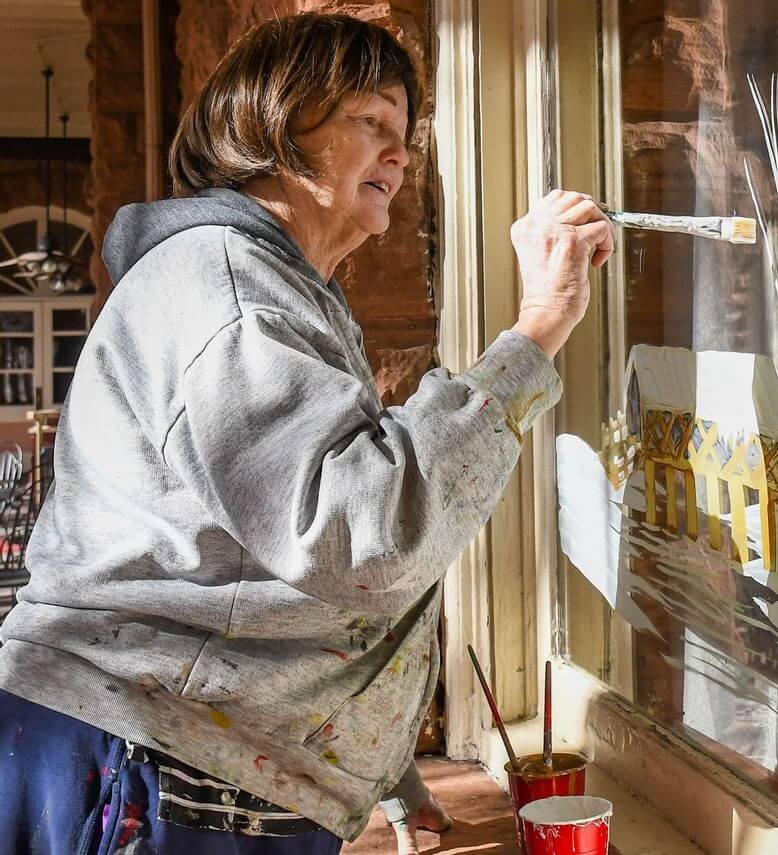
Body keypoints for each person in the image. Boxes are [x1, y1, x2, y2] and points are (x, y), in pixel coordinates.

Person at [0, 13, 613, 855]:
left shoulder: (271, 288)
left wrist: (380, 765)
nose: (401, 156)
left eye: (407, 136)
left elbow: (265, 562)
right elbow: (357, 535)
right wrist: (541, 323)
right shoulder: (231, 290)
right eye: (374, 125)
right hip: (149, 766)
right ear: (278, 122)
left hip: (192, 763)